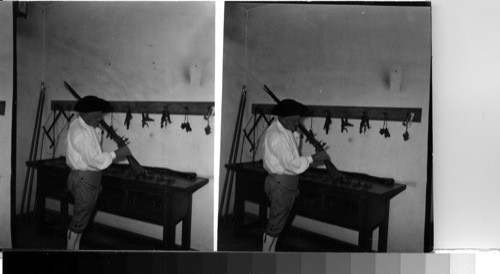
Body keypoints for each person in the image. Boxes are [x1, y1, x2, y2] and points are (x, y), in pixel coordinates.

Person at [261, 99, 330, 252]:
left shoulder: (285, 129)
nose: (297, 124)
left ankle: (269, 257)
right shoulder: (277, 136)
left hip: (287, 183)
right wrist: (314, 158)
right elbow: (291, 164)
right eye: (294, 121)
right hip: (281, 184)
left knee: (278, 226)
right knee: (274, 226)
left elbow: (292, 152)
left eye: (298, 121)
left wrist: (297, 136)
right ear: (283, 119)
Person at [65, 95, 131, 250]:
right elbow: (94, 160)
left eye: (100, 115)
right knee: (78, 222)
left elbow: (94, 147)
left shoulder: (85, 125)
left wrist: (97, 130)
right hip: (84, 180)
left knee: (82, 222)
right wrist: (116, 153)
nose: (100, 119)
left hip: (89, 179)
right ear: (84, 115)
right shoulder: (80, 132)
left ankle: (75, 251)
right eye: (96, 116)